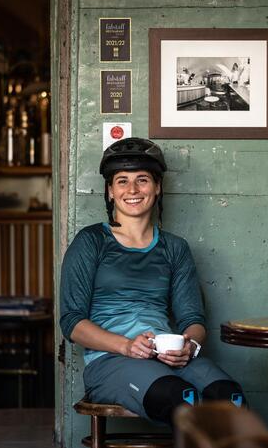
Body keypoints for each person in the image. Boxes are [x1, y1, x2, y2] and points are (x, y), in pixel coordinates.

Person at [59, 137, 245, 425]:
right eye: (122, 181)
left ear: (157, 187)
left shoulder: (174, 248)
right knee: (178, 398)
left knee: (230, 398)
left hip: (166, 356)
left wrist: (189, 347)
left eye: (142, 180)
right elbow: (71, 322)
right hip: (109, 361)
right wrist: (126, 346)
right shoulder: (91, 241)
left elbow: (193, 320)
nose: (132, 190)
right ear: (110, 191)